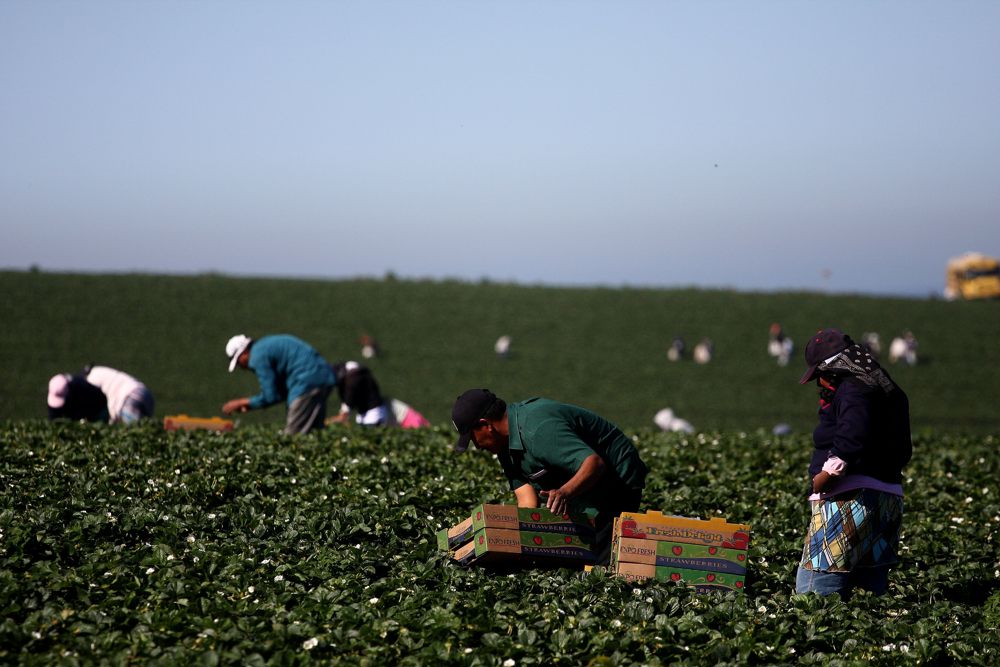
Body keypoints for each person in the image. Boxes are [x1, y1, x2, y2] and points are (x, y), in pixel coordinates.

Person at [451, 388, 648, 566]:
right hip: (578, 483)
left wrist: (565, 492)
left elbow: (594, 464)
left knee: (598, 561)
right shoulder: (504, 446)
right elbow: (527, 499)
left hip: (616, 478)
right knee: (569, 556)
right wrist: (511, 543)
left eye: (472, 438)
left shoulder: (538, 430)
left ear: (486, 425)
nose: (476, 446)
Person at [795, 328, 912, 599]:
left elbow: (851, 438)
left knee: (815, 595)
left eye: (820, 376)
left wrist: (825, 476)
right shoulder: (885, 389)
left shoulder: (853, 390)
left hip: (849, 502)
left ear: (833, 369)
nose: (819, 384)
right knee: (870, 593)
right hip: (888, 500)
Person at [222, 334, 336, 435]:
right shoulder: (264, 346)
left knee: (293, 437)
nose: (241, 367)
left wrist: (242, 402)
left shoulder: (257, 357)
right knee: (316, 432)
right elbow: (279, 393)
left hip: (305, 383)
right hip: (323, 377)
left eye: (238, 362)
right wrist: (250, 405)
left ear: (244, 353)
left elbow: (270, 396)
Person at [328, 360, 430, 428]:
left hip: (374, 413)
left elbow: (350, 394)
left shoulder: (354, 378)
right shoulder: (360, 375)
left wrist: (344, 411)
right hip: (372, 412)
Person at [47, 365, 154, 424]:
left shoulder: (88, 386)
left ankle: (169, 425)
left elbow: (101, 408)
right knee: (149, 427)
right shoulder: (91, 376)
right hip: (143, 394)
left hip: (128, 398)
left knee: (141, 432)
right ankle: (170, 424)